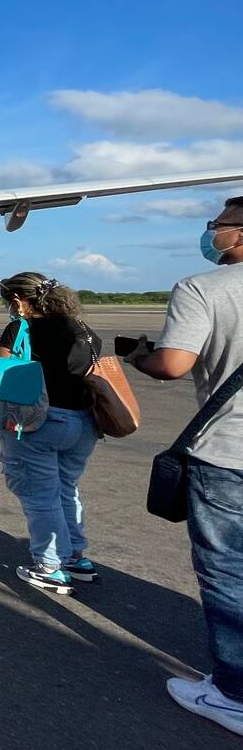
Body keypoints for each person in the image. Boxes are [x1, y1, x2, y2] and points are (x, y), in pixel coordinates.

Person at [127, 197, 243, 736]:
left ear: (238, 235)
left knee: (226, 573)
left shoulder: (204, 288)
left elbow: (173, 366)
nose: (211, 232)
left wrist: (139, 357)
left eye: (216, 225)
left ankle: (233, 694)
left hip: (229, 452)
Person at [0, 273, 100, 594]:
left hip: (40, 421)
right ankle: (74, 555)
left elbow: (4, 371)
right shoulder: (82, 329)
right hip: (83, 421)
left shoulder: (22, 328)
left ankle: (50, 565)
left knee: (40, 496)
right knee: (67, 488)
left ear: (17, 301)